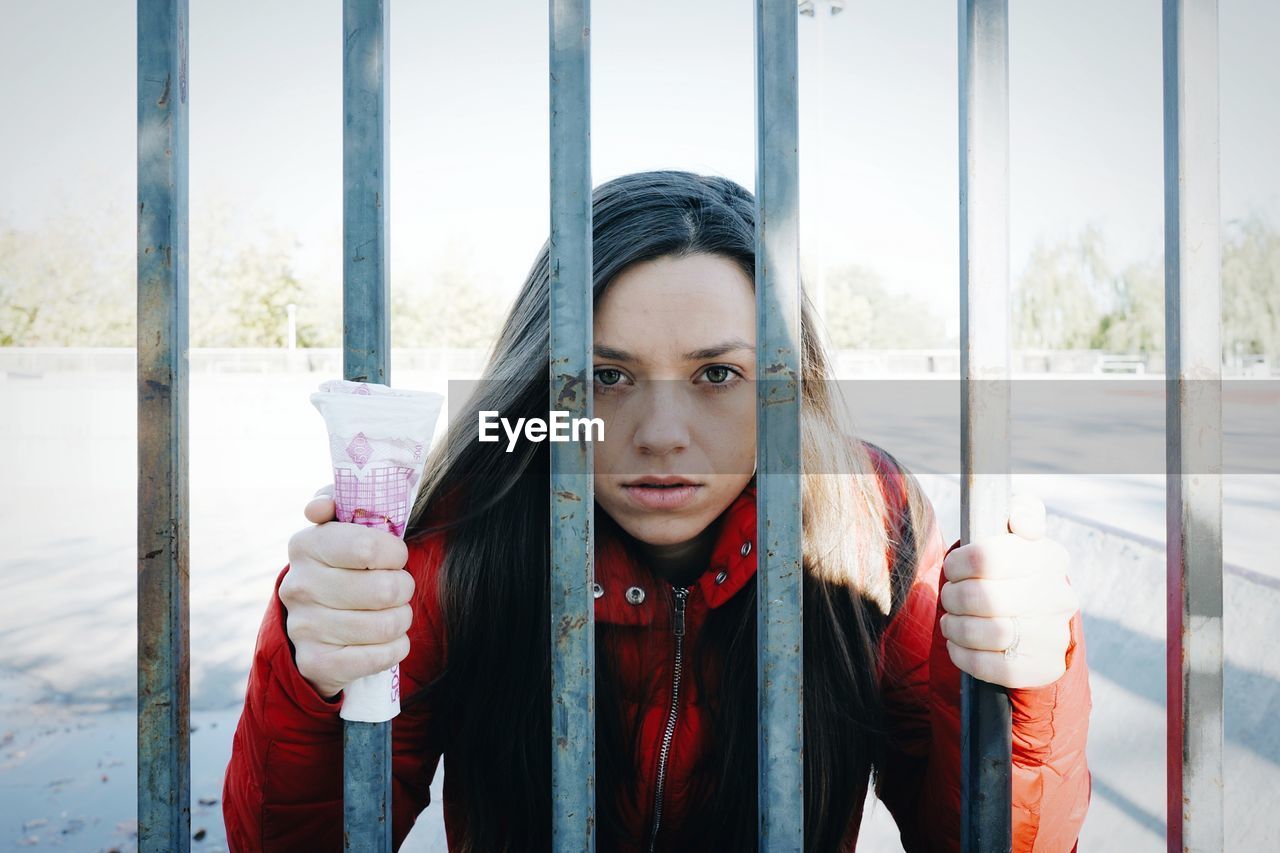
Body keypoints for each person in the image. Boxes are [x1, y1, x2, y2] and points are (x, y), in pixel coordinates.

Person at [222, 170, 1090, 852]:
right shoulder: (467, 531)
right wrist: (317, 673)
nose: (663, 434)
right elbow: (290, 842)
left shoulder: (873, 517)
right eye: (608, 376)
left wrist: (1023, 683)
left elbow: (984, 839)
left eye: (717, 375)